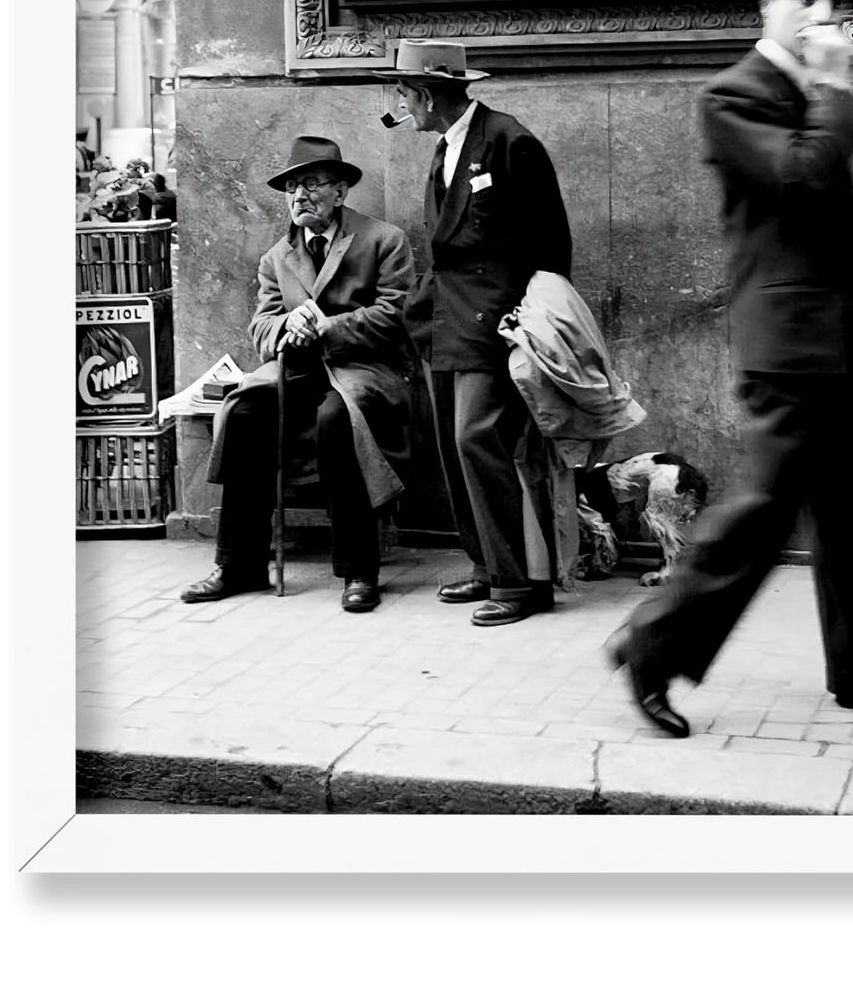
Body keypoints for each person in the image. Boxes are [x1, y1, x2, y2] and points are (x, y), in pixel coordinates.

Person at [610, 0, 853, 736]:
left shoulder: (807, 96)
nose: (822, 16)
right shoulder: (732, 95)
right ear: (765, 4)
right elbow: (801, 175)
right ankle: (649, 646)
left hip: (840, 332)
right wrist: (836, 91)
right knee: (762, 511)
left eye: (834, 2)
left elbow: (807, 215)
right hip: (784, 344)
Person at [374, 39, 573, 627]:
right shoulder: (446, 147)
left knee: (476, 439)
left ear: (428, 96)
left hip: (495, 322)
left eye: (405, 95)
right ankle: (487, 565)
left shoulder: (510, 141)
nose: (402, 107)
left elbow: (551, 244)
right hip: (443, 320)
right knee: (452, 442)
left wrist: (530, 321)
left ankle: (522, 584)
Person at [180, 136, 414, 613]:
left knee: (337, 420)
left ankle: (359, 569)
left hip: (362, 371)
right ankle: (240, 565)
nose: (299, 197)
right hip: (297, 371)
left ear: (340, 192)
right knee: (244, 411)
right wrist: (289, 325)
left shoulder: (382, 240)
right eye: (291, 188)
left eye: (310, 184)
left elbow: (397, 315)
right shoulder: (276, 257)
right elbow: (261, 329)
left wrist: (327, 327)